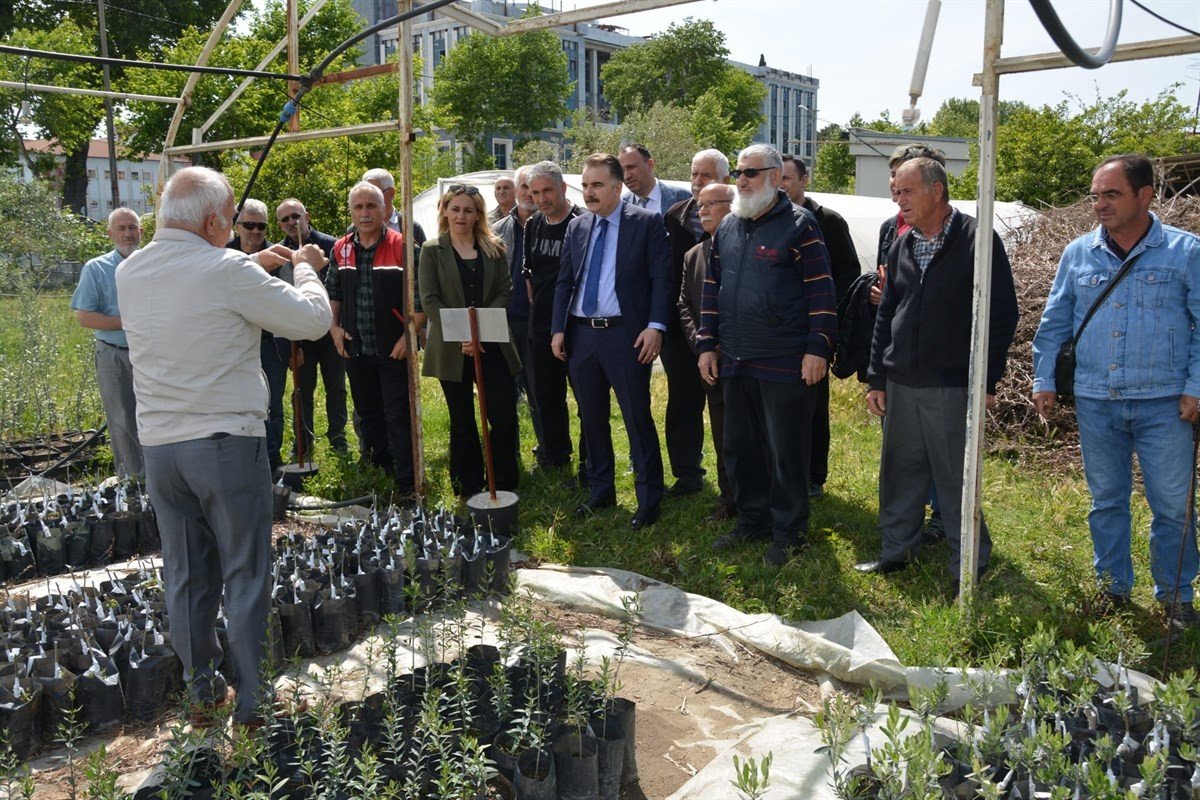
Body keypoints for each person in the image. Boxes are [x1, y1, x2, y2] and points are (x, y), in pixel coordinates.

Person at [116, 165, 331, 726]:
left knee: (187, 574)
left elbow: (195, 293)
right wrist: (306, 272)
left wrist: (246, 268)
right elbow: (309, 322)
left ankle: (202, 692)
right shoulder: (227, 267)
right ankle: (255, 698)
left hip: (161, 448)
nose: (235, 228)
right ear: (214, 221)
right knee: (246, 571)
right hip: (225, 444)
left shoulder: (132, 271)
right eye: (232, 218)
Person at [1032, 154, 1200, 628]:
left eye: (1111, 194)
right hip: (1095, 398)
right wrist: (1043, 378)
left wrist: (1195, 387)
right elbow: (1054, 321)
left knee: (1172, 504)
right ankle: (1113, 589)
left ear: (1145, 196)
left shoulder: (1185, 253)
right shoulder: (1078, 253)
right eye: (1095, 195)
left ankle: (1175, 596)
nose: (1099, 204)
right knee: (1106, 500)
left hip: (1165, 402)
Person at [858, 157, 1018, 592]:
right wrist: (877, 377)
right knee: (899, 471)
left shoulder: (977, 241)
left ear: (936, 191)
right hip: (901, 381)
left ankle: (968, 562)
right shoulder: (902, 243)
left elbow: (1002, 314)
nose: (898, 199)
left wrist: (986, 381)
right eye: (896, 191)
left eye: (907, 191)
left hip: (952, 382)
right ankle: (896, 552)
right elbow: (887, 313)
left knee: (954, 477)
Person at [697, 144, 837, 565]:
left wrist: (818, 348)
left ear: (775, 178)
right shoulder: (729, 227)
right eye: (739, 172)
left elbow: (822, 291)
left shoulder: (800, 226)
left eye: (751, 173)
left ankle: (789, 532)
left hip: (784, 360)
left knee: (785, 450)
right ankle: (753, 521)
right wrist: (707, 342)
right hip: (736, 359)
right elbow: (711, 290)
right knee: (741, 446)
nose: (740, 180)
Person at [552, 152, 670, 530]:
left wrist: (655, 327)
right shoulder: (577, 227)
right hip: (582, 335)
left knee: (636, 417)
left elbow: (661, 279)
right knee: (592, 419)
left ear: (617, 188)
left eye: (597, 185)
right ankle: (601, 491)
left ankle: (649, 498)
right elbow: (565, 281)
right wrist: (558, 328)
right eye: (585, 185)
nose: (589, 192)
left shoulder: (647, 223)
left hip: (626, 335)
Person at [421, 185, 522, 496]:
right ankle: (468, 485)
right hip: (452, 347)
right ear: (445, 211)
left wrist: (480, 331)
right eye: (455, 209)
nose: (461, 216)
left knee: (503, 415)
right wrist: (464, 334)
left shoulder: (495, 249)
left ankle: (504, 482)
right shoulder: (432, 250)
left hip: (492, 343)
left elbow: (505, 292)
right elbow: (430, 300)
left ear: (478, 214)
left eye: (468, 210)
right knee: (462, 419)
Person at [875, 144, 949, 542]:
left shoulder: (963, 233)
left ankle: (943, 514)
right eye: (893, 180)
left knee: (941, 447)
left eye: (905, 183)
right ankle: (904, 522)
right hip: (900, 356)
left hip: (939, 365)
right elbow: (888, 288)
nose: (896, 192)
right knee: (902, 448)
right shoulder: (893, 229)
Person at [327, 182, 416, 497]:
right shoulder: (341, 248)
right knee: (368, 413)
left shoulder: (403, 246)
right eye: (358, 207)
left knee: (398, 415)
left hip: (392, 347)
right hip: (356, 347)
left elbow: (419, 299)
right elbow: (334, 292)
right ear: (351, 211)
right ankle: (380, 471)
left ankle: (407, 483)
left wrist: (410, 335)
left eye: (371, 206)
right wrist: (334, 328)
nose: (365, 213)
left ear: (384, 209)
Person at [780, 154, 861, 500]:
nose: (780, 184)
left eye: (786, 178)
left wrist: (823, 318)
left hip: (813, 331)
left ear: (804, 180)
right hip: (776, 332)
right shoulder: (766, 220)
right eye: (776, 178)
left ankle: (814, 476)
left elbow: (848, 274)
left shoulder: (828, 221)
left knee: (813, 405)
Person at [660, 148, 729, 500]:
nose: (698, 182)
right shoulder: (674, 216)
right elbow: (672, 281)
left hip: (722, 338)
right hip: (681, 330)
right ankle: (687, 475)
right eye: (694, 174)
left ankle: (730, 482)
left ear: (725, 182)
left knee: (724, 410)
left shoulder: (736, 226)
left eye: (706, 176)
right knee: (683, 403)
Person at [71, 208, 146, 479]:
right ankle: (132, 483)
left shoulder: (153, 264)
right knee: (122, 419)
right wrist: (130, 322)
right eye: (121, 228)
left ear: (142, 231)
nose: (127, 233)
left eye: (132, 227)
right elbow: (85, 317)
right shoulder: (96, 268)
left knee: (159, 415)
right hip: (114, 355)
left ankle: (162, 480)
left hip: (152, 354)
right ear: (110, 234)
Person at [678, 182, 737, 521]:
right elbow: (684, 303)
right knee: (722, 433)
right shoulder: (694, 255)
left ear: (732, 205)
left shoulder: (747, 248)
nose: (701, 213)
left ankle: (762, 499)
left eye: (709, 205)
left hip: (748, 357)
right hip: (710, 360)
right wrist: (702, 345)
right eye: (698, 206)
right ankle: (729, 501)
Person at [523, 160, 585, 475]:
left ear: (562, 188)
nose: (542, 198)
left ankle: (592, 461)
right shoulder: (533, 225)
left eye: (548, 190)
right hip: (541, 325)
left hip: (577, 326)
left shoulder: (584, 222)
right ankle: (556, 457)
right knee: (546, 397)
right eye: (535, 192)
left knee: (586, 399)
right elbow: (530, 276)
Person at [276, 198, 346, 457]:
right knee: (301, 391)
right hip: (300, 337)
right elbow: (279, 304)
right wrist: (289, 346)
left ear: (308, 215)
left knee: (336, 387)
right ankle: (303, 442)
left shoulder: (333, 245)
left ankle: (338, 439)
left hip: (331, 333)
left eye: (296, 215)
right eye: (285, 219)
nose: (292, 222)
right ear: (279, 225)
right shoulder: (278, 254)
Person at [229, 199, 288, 473]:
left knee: (272, 402)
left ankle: (272, 460)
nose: (255, 231)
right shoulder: (222, 254)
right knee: (236, 403)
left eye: (261, 226)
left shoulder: (278, 256)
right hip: (232, 344)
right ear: (237, 226)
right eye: (249, 225)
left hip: (271, 344)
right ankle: (243, 459)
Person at [492, 167, 538, 416]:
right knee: (504, 390)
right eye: (525, 187)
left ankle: (548, 451)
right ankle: (507, 451)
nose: (530, 193)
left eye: (535, 188)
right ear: (517, 190)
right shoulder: (497, 230)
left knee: (539, 390)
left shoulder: (554, 225)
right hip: (506, 319)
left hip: (539, 320)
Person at [618, 143, 691, 213]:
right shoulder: (620, 206)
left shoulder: (683, 198)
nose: (626, 176)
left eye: (631, 167)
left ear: (650, 165)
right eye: (621, 171)